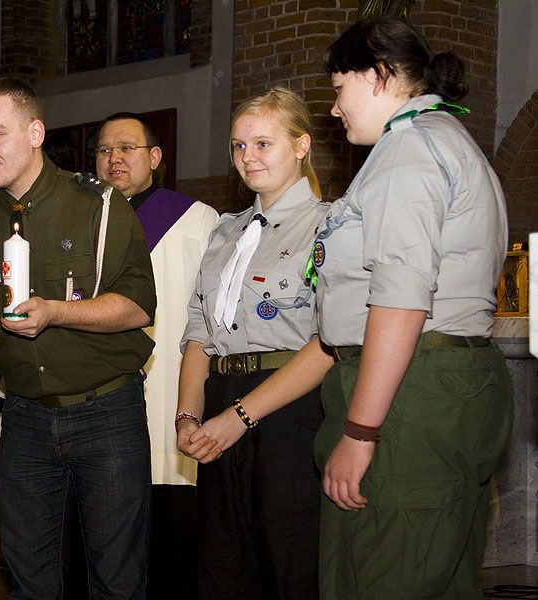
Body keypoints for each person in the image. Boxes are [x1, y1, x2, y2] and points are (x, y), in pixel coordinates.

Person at [193, 18, 511, 599]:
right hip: (441, 382)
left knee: (380, 574)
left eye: (339, 90)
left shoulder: (409, 150)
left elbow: (400, 300)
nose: (336, 110)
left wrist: (361, 432)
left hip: (410, 393)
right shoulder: (448, 142)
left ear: (380, 76)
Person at [0, 77, 156, 598]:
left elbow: (135, 308)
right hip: (24, 417)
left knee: (117, 579)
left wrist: (56, 312)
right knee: (28, 577)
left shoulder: (99, 205)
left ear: (35, 132)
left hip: (106, 411)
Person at [176, 88, 328, 600]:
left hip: (288, 406)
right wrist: (188, 417)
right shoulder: (226, 231)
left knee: (289, 566)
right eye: (239, 146)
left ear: (301, 145)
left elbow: (328, 344)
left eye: (264, 143)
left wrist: (238, 418)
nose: (248, 158)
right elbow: (199, 332)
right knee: (223, 568)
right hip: (221, 399)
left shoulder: (330, 225)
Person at [95, 112, 218, 597]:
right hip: (99, 401)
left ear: (155, 158)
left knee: (170, 546)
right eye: (105, 151)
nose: (115, 159)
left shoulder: (196, 219)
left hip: (171, 391)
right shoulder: (82, 218)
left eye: (127, 148)